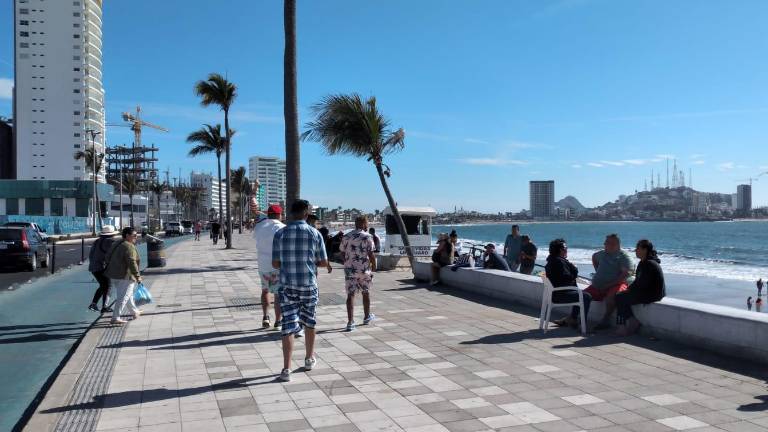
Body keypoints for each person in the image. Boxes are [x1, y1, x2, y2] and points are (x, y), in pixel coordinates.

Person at [272, 199, 328, 382]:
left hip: (287, 285)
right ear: (306, 214)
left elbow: (275, 263)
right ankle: (309, 359)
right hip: (308, 285)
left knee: (288, 325)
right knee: (310, 322)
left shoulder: (280, 234)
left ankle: (286, 369)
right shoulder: (315, 233)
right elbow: (323, 261)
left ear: (291, 212)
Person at [614, 239, 666, 336]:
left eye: (638, 248)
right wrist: (629, 289)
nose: (635, 250)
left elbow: (643, 283)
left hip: (652, 294)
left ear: (645, 250)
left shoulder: (649, 264)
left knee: (620, 298)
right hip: (647, 291)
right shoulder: (643, 263)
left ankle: (622, 326)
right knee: (621, 295)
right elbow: (638, 281)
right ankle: (633, 321)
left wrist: (629, 290)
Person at [586, 234, 634, 330]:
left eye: (607, 242)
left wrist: (608, 284)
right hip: (598, 285)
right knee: (583, 296)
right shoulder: (602, 254)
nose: (604, 244)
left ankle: (605, 320)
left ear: (615, 245)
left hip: (616, 284)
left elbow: (626, 274)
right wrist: (598, 271)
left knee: (611, 297)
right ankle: (576, 318)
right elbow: (594, 257)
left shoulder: (624, 257)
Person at [545, 238, 592, 330]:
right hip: (561, 295)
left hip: (556, 293)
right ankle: (583, 326)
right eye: (565, 248)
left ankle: (572, 319)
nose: (566, 250)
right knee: (586, 296)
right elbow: (566, 278)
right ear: (559, 250)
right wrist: (574, 268)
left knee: (580, 294)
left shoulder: (552, 260)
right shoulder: (559, 262)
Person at [341, 216, 377, 332]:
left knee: (350, 295)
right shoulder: (368, 236)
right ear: (363, 224)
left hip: (350, 269)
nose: (367, 225)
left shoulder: (347, 236)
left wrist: (346, 263)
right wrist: (374, 266)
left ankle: (350, 322)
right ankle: (366, 317)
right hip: (364, 269)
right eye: (367, 223)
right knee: (365, 292)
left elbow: (342, 251)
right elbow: (371, 254)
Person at [253, 204, 286, 330]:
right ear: (278, 214)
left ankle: (266, 317)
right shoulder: (282, 227)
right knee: (278, 294)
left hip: (262, 264)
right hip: (277, 264)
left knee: (265, 290)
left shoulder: (259, 226)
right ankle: (278, 321)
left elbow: (256, 239)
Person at [104, 227, 142, 325]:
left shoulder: (116, 243)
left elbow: (107, 257)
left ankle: (134, 311)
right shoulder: (129, 246)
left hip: (113, 274)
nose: (136, 237)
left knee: (127, 295)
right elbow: (132, 262)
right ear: (127, 236)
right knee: (123, 296)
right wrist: (137, 276)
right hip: (125, 276)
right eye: (134, 235)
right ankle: (115, 317)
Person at [88, 225, 118, 313]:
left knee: (103, 285)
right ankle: (105, 307)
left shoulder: (97, 241)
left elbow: (91, 255)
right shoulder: (110, 241)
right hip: (102, 267)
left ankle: (94, 304)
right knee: (108, 285)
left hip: (94, 267)